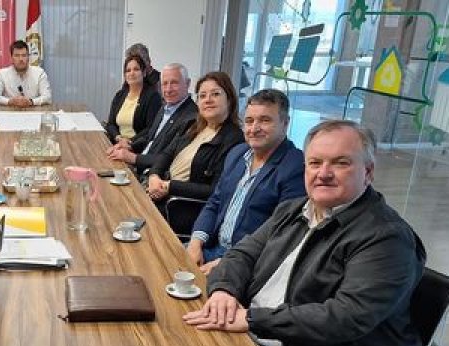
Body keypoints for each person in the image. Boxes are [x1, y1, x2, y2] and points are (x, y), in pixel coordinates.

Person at [183, 120, 426, 346]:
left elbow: (346, 317)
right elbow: (242, 254)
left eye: (340, 163)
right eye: (315, 163)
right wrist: (224, 292)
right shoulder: (293, 210)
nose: (323, 173)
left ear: (368, 172)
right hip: (259, 339)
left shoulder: (386, 238)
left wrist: (254, 320)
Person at [186, 89, 306, 275]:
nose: (254, 128)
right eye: (249, 121)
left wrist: (228, 262)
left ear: (285, 123)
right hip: (210, 248)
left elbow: (282, 235)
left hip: (247, 264)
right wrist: (195, 243)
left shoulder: (295, 166)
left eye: (265, 120)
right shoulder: (237, 154)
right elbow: (215, 203)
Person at [144, 72, 245, 233]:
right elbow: (166, 155)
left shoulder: (235, 139)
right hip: (160, 191)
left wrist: (170, 186)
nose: (208, 99)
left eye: (216, 94)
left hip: (180, 206)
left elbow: (215, 191)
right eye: (202, 95)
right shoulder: (193, 125)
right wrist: (154, 176)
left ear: (230, 99)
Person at [106, 63, 197, 178]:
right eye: (164, 84)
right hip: (137, 166)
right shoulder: (165, 107)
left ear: (188, 83)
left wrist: (133, 158)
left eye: (174, 83)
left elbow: (173, 158)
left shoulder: (192, 117)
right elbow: (149, 137)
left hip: (152, 177)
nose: (168, 89)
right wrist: (130, 146)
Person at [104, 54, 162, 145]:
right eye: (128, 70)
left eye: (136, 69)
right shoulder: (120, 95)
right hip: (117, 143)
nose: (131, 73)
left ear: (144, 73)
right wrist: (118, 138)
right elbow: (111, 124)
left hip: (137, 146)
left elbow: (151, 128)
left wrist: (129, 142)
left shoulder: (153, 97)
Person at [0, 40, 52, 107]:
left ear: (28, 57)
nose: (21, 59)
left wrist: (31, 102)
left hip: (33, 113)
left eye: (24, 55)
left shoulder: (40, 73)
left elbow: (48, 97)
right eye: (17, 55)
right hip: (10, 113)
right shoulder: (2, 74)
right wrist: (9, 101)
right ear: (11, 58)